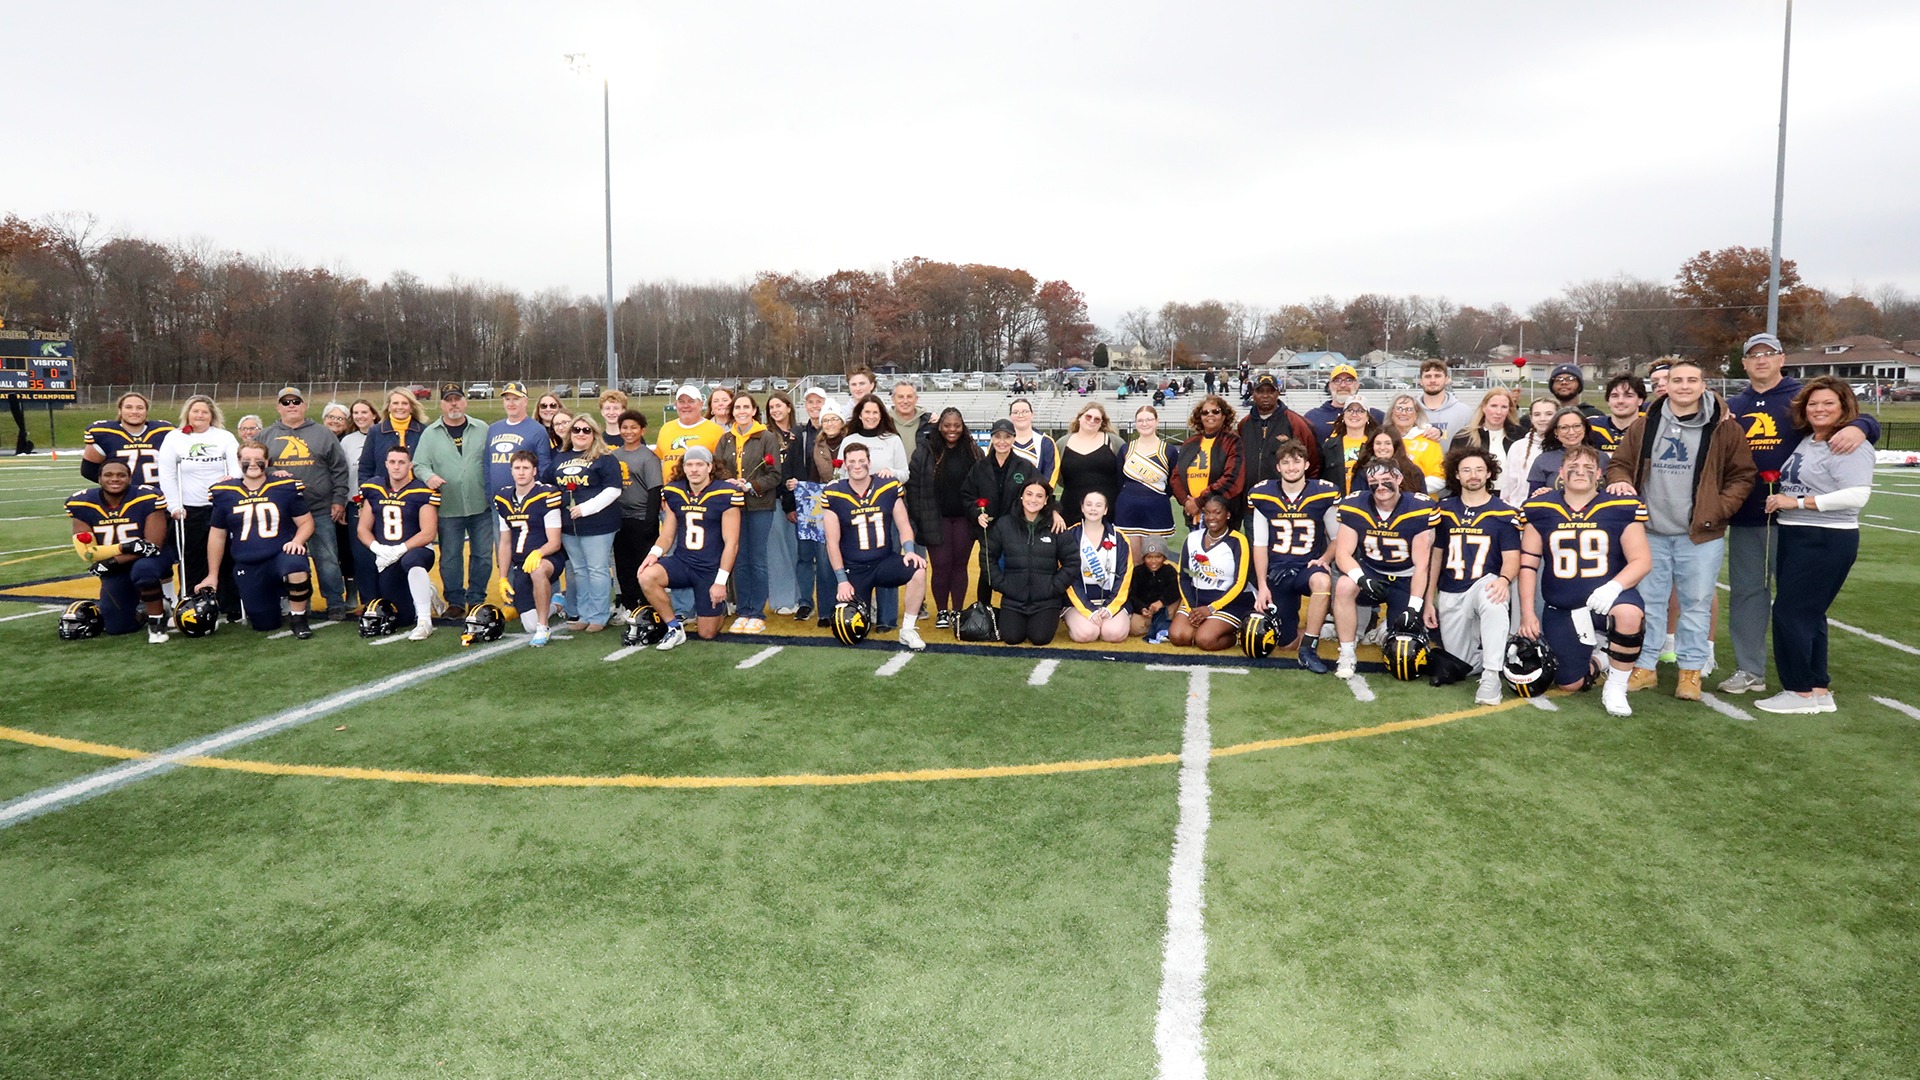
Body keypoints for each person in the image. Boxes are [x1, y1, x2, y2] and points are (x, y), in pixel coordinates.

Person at [1721, 333, 1879, 697]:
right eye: (1753, 355)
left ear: (1782, 358)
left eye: (1769, 353)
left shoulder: (1802, 397)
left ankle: (1808, 678)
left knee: (1799, 601)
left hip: (1801, 522)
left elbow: (1847, 414)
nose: (1761, 360)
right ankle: (1750, 669)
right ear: (1744, 363)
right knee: (1748, 593)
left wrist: (1863, 425)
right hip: (1749, 514)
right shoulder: (1734, 404)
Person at [1603, 358, 1755, 701]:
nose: (1684, 386)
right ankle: (1645, 667)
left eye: (1692, 380)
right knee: (1650, 602)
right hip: (1652, 532)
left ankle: (1691, 671)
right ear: (1666, 386)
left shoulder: (1723, 427)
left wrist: (1718, 509)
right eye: (1677, 380)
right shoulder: (1646, 425)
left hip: (1699, 534)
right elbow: (1620, 465)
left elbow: (1743, 476)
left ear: (1704, 386)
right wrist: (1623, 484)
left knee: (1696, 603)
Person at [1754, 377, 1873, 714]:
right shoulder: (1811, 439)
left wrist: (1799, 503)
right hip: (1800, 535)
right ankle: (1818, 686)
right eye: (1813, 404)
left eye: (1828, 404)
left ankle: (1799, 691)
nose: (1819, 409)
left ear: (1844, 407)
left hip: (1823, 538)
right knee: (1809, 614)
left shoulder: (1849, 443)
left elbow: (1857, 495)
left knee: (1790, 613)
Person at [1518, 444, 1651, 716]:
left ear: (1600, 473)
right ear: (1561, 472)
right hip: (1564, 604)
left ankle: (1616, 687)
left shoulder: (1621, 505)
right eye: (1573, 468)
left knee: (1627, 614)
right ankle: (1601, 657)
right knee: (1569, 684)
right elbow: (1528, 564)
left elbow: (1642, 561)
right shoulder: (1540, 507)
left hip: (1611, 597)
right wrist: (1528, 613)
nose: (1581, 472)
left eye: (1588, 468)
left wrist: (1613, 587)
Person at [1424, 445, 1523, 704]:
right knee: (1461, 663)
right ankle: (1501, 653)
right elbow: (1436, 555)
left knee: (1494, 599)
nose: (1473, 475)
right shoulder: (1443, 509)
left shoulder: (1504, 512)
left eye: (1479, 469)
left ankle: (1492, 676)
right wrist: (1427, 599)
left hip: (1484, 582)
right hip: (1451, 588)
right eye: (1466, 470)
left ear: (1489, 473)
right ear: (1456, 475)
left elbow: (1513, 557)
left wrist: (1504, 580)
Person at [1330, 459, 1435, 677]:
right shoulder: (1354, 505)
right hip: (1373, 572)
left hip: (1406, 578)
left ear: (1399, 479)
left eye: (1386, 481)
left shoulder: (1419, 508)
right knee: (1343, 585)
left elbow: (1422, 565)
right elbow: (1342, 553)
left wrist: (1413, 608)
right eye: (1374, 482)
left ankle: (1383, 630)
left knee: (1403, 653)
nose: (1380, 487)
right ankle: (1347, 653)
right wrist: (1361, 579)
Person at [822, 442, 930, 651]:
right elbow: (832, 543)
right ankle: (864, 607)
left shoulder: (887, 486)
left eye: (862, 461)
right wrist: (842, 581)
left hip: (883, 561)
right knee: (848, 633)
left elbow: (904, 525)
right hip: (854, 568)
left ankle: (907, 629)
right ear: (845, 465)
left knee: (918, 569)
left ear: (869, 463)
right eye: (852, 462)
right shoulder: (834, 493)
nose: (857, 465)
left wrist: (909, 551)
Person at [201, 441, 316, 637]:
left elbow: (307, 523)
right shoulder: (224, 492)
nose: (252, 464)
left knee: (296, 564)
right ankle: (276, 599)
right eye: (247, 460)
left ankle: (298, 617)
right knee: (264, 623)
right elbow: (217, 535)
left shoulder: (284, 486)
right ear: (239, 462)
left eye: (258, 460)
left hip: (280, 554)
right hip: (248, 562)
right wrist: (212, 574)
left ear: (267, 461)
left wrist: (297, 541)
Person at [1247, 439, 1338, 673]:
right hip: (1278, 570)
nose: (1291, 468)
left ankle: (1309, 647)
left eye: (1296, 462)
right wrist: (1263, 585)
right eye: (1285, 463)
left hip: (1307, 567)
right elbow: (1259, 544)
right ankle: (1318, 628)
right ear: (1278, 467)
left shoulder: (1323, 492)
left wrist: (1325, 559)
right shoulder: (1263, 494)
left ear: (1306, 465)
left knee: (1322, 580)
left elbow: (1337, 538)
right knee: (1285, 643)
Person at [638, 446, 742, 647]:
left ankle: (720, 604)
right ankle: (674, 628)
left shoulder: (726, 492)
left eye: (699, 464)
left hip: (709, 569)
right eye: (689, 464)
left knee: (707, 633)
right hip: (682, 562)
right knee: (646, 575)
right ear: (683, 468)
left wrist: (720, 581)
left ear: (710, 467)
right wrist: (654, 554)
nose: (694, 469)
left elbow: (732, 542)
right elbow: (667, 535)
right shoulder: (674, 491)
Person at [262, 386, 352, 619]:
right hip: (283, 512)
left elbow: (339, 469)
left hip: (319, 507)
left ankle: (335, 602)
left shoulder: (323, 433)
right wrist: (273, 470)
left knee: (328, 558)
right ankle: (301, 602)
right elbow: (253, 467)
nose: (291, 406)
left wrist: (339, 499)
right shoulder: (265, 436)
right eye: (286, 402)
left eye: (296, 402)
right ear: (278, 407)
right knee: (292, 559)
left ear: (304, 405)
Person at [156, 394, 242, 623]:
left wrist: (231, 480)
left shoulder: (224, 437)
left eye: (204, 411)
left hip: (219, 507)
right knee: (191, 558)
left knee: (227, 557)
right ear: (188, 414)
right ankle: (191, 603)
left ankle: (230, 604)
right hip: (189, 508)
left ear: (212, 414)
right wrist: (174, 505)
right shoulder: (174, 438)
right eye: (195, 411)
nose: (200, 415)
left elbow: (237, 466)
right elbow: (166, 474)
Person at [66, 460, 173, 642]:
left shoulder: (147, 497)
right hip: (115, 565)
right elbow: (88, 553)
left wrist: (113, 561)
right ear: (99, 479)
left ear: (130, 478)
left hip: (151, 559)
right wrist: (124, 547)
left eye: (121, 475)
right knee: (117, 627)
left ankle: (157, 626)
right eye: (108, 475)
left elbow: (152, 546)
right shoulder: (82, 503)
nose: (115, 479)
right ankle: (147, 612)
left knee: (144, 570)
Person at [413, 384, 494, 620]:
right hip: (449, 506)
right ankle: (456, 601)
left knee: (482, 554)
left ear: (465, 402)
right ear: (442, 405)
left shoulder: (482, 429)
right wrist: (430, 477)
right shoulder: (431, 433)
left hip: (481, 504)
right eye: (449, 400)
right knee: (450, 555)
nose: (453, 404)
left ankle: (476, 598)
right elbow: (419, 464)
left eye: (457, 399)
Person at [546, 413, 624, 632]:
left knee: (597, 569)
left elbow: (613, 490)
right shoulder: (560, 458)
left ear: (594, 433)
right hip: (569, 526)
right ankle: (585, 613)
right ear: (570, 433)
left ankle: (599, 616)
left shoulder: (605, 457)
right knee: (579, 570)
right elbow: (547, 484)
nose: (581, 434)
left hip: (598, 524)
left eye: (586, 430)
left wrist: (586, 508)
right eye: (576, 430)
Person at [356, 445, 441, 640]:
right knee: (402, 618)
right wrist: (378, 548)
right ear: (386, 464)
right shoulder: (374, 488)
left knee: (412, 560)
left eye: (401, 462)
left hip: (417, 551)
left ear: (410, 465)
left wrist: (400, 549)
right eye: (392, 462)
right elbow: (362, 529)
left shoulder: (422, 490)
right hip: (386, 556)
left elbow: (428, 533)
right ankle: (425, 591)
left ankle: (425, 622)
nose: (396, 467)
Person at [714, 392, 783, 632]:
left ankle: (757, 612)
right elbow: (718, 470)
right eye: (737, 407)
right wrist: (730, 482)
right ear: (732, 412)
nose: (741, 411)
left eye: (746, 407)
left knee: (757, 559)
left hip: (760, 505)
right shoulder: (725, 439)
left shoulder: (766, 437)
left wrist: (752, 485)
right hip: (733, 506)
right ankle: (743, 609)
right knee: (739, 558)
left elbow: (775, 474)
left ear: (754, 411)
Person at [909, 407, 982, 629]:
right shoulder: (925, 450)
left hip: (963, 518)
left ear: (963, 427)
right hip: (934, 516)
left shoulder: (974, 451)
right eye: (947, 425)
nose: (952, 430)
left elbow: (982, 485)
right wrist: (918, 516)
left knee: (959, 565)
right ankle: (942, 610)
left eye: (956, 426)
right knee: (940, 565)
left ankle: (957, 611)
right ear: (939, 426)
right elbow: (914, 486)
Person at [493, 449, 566, 646]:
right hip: (520, 564)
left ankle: (544, 627)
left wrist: (538, 552)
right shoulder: (503, 498)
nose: (521, 472)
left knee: (537, 569)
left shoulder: (546, 494)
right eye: (517, 468)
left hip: (549, 558)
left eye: (526, 468)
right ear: (511, 471)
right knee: (529, 625)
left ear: (535, 471)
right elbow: (505, 542)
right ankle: (557, 604)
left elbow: (555, 542)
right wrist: (502, 577)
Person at [986, 480, 1068, 647]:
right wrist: (1002, 584)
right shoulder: (1004, 524)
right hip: (1014, 598)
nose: (1033, 500)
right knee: (1012, 637)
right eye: (1029, 494)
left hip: (1046, 600)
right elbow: (988, 556)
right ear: (1021, 496)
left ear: (1046, 500)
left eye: (1039, 496)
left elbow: (1072, 562)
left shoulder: (1055, 525)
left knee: (1040, 638)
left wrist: (1054, 587)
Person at [1170, 492, 1254, 652]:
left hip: (1228, 600)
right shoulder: (1192, 538)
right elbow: (1183, 577)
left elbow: (1240, 583)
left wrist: (1211, 609)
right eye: (1207, 512)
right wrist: (1191, 607)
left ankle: (1237, 634)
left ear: (1228, 514)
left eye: (1217, 512)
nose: (1211, 517)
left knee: (1205, 640)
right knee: (1179, 637)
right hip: (1196, 598)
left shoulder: (1238, 541)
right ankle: (1205, 624)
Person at [796, 399, 848, 624]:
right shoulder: (817, 445)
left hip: (849, 504)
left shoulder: (851, 441)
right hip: (826, 508)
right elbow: (814, 478)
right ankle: (827, 610)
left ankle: (849, 605)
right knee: (825, 560)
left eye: (834, 418)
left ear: (842, 421)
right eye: (826, 419)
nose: (829, 423)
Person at [609, 409, 664, 616]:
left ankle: (647, 605)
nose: (629, 431)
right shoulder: (614, 455)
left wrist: (650, 523)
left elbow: (654, 490)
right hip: (620, 519)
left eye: (633, 427)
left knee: (644, 565)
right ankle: (629, 605)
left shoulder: (648, 457)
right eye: (624, 427)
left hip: (642, 519)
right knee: (623, 565)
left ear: (642, 430)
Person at [1062, 491, 1134, 644]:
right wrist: (1088, 610)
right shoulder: (1070, 535)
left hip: (1112, 601)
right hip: (1078, 602)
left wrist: (1109, 608)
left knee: (1113, 634)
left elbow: (1124, 575)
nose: (1093, 509)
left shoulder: (1119, 537)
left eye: (1098, 505)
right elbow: (1068, 577)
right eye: (1089, 504)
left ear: (1106, 510)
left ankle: (1116, 617)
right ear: (1082, 508)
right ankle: (1073, 619)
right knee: (1086, 634)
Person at [1170, 395, 1244, 527]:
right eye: (1205, 412)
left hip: (1222, 516)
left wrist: (1200, 502)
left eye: (1215, 411)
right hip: (1193, 514)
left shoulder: (1232, 441)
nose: (1210, 415)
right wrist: (1187, 503)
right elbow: (1176, 477)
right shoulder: (1189, 443)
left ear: (1224, 415)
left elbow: (1232, 479)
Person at [1238, 372, 1320, 487]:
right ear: (1253, 393)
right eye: (1260, 391)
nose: (1265, 396)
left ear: (1278, 393)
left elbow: (1313, 463)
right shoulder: (1244, 424)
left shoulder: (1296, 423)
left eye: (1270, 391)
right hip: (1249, 495)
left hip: (1284, 497)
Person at [1115, 404, 1174, 559]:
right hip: (1127, 510)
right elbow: (1119, 479)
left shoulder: (1168, 450)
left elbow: (1173, 483)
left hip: (1157, 510)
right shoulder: (1126, 448)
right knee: (1131, 561)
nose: (1145, 423)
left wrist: (1154, 495)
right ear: (1135, 423)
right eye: (1140, 420)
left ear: (1157, 421)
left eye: (1149, 419)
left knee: (1155, 560)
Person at [763, 392, 802, 616]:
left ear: (789, 407)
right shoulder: (767, 435)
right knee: (778, 552)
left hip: (798, 501)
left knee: (796, 551)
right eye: (771, 407)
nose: (775, 410)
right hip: (775, 500)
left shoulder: (800, 432)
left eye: (779, 406)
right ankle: (781, 599)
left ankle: (797, 596)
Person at [82, 392, 174, 487]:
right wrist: (114, 485)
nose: (134, 411)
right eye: (128, 407)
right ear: (120, 410)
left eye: (140, 408)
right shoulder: (104, 433)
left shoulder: (164, 432)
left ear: (146, 411)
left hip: (159, 494)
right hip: (123, 497)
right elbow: (88, 471)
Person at [1056, 401, 1123, 528]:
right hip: (1071, 508)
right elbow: (1056, 476)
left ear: (1101, 423)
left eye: (1097, 419)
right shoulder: (1062, 443)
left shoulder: (1114, 442)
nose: (1092, 421)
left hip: (1108, 510)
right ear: (1080, 417)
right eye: (1088, 416)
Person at [339, 398, 378, 610]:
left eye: (365, 412)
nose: (360, 416)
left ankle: (388, 595)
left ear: (374, 414)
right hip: (356, 504)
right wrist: (344, 502)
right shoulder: (347, 441)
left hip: (382, 504)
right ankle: (368, 599)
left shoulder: (383, 434)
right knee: (362, 554)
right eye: (356, 413)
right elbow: (343, 474)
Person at [1526, 407, 1611, 496]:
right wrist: (1540, 493)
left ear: (1584, 428)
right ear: (1555, 431)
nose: (1571, 432)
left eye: (1577, 426)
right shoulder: (1543, 460)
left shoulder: (1602, 458)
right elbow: (1531, 500)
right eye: (1564, 427)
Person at [486, 382, 553, 496]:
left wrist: (537, 496)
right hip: (498, 500)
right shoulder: (493, 429)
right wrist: (488, 493)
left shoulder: (537, 430)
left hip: (527, 501)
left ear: (525, 401)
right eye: (507, 399)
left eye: (516, 399)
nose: (511, 403)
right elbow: (487, 464)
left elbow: (544, 467)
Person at [656, 385, 725, 484]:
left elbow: (721, 469)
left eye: (691, 401)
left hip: (703, 494)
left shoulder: (715, 431)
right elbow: (659, 460)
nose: (686, 406)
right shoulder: (666, 429)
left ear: (701, 404)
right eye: (681, 402)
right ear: (676, 405)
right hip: (671, 494)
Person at [1303, 363, 1384, 446]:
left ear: (1357, 385)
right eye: (1337, 381)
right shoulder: (1312, 417)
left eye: (1349, 380)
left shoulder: (1376, 416)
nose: (1343, 385)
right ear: (1329, 386)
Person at [359, 387, 426, 486]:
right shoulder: (375, 432)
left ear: (411, 407)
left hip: (417, 493)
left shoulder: (424, 432)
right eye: (395, 403)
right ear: (389, 407)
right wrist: (366, 494)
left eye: (404, 403)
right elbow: (365, 468)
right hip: (383, 494)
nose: (400, 407)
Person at [1501, 399, 1558, 507]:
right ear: (1531, 418)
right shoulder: (1518, 447)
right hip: (1520, 509)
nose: (1542, 419)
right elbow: (1508, 485)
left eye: (1549, 414)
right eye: (1537, 414)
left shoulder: (1564, 447)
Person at [1385, 394, 1445, 492]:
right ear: (1391, 412)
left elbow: (1440, 477)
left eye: (1409, 409)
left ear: (1417, 414)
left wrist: (1408, 488)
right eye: (1399, 408)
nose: (1403, 413)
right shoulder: (1382, 438)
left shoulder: (1428, 439)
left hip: (1421, 501)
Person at [1319, 400, 1379, 497]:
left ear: (1367, 417)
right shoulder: (1329, 446)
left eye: (1360, 411)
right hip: (1336, 503)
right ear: (1343, 415)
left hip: (1367, 504)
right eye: (1350, 410)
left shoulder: (1375, 445)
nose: (1354, 414)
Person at [1348, 428, 1427, 497]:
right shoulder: (1362, 472)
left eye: (1388, 443)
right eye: (1378, 443)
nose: (1382, 448)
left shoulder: (1412, 471)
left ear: (1395, 445)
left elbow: (1422, 501)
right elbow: (1357, 502)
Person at [1454, 388, 1525, 465]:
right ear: (1484, 407)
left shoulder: (1521, 436)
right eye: (1493, 406)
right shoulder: (1464, 437)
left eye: (1504, 407)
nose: (1498, 412)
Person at [1128, 537, 1180, 642]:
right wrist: (1142, 608)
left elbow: (1175, 589)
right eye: (1149, 557)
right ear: (1143, 558)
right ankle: (1160, 626)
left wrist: (1161, 602)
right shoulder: (1137, 572)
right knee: (1134, 629)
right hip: (1147, 611)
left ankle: (1165, 624)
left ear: (1164, 557)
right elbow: (1131, 595)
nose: (1153, 561)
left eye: (1158, 557)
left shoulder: (1169, 570)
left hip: (1165, 608)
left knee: (1177, 601)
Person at [1415, 359, 1473, 448]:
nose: (1432, 380)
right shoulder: (1410, 411)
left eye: (1437, 376)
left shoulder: (1465, 412)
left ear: (1446, 379)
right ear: (1420, 381)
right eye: (1427, 376)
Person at [1006, 398, 1058, 491]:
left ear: (1032, 414)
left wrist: (1040, 494)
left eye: (1025, 411)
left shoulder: (1045, 442)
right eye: (1015, 412)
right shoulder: (999, 442)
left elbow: (1051, 472)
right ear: (1010, 416)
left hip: (1035, 500)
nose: (1020, 415)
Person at [1587, 375, 1646, 455]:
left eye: (1628, 396)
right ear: (1608, 401)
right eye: (1615, 396)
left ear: (1640, 400)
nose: (1620, 401)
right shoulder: (1591, 427)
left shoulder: (1649, 428)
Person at [889, 380, 934, 449]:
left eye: (909, 396)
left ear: (916, 399)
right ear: (893, 399)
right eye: (900, 397)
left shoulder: (929, 422)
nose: (905, 401)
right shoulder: (884, 422)